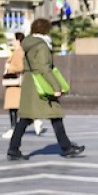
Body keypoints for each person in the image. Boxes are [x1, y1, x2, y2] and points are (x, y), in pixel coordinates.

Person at [6, 18, 84, 160]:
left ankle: (13, 149)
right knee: (55, 114)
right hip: (41, 84)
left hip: (30, 83)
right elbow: (44, 68)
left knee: (25, 118)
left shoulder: (28, 44)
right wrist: (56, 87)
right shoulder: (41, 45)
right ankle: (67, 148)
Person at [1, 33, 44, 136]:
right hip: (18, 83)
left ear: (18, 40)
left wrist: (9, 67)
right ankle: (35, 120)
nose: (12, 42)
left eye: (13, 39)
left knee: (13, 107)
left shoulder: (19, 52)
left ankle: (14, 128)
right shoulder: (22, 51)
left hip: (15, 84)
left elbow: (20, 66)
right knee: (20, 106)